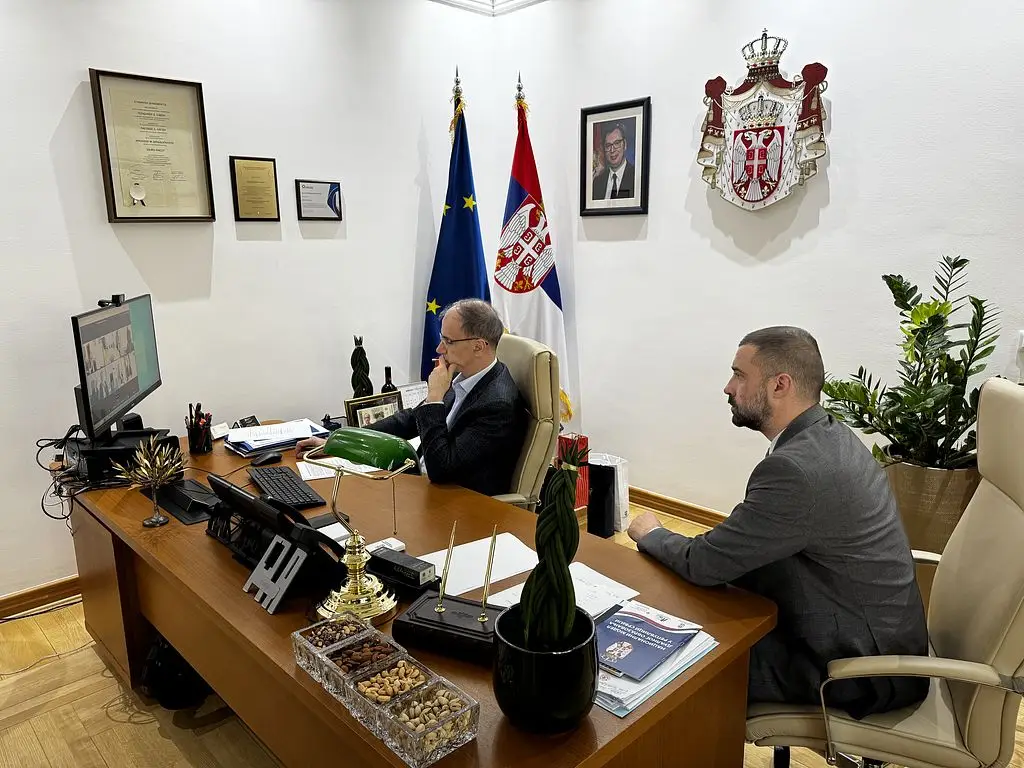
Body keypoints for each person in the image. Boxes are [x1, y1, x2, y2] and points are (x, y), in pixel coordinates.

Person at [628, 326, 928, 719]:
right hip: (872, 633)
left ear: (779, 385)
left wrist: (652, 532)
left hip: (860, 669)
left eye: (739, 375)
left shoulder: (797, 469)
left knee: (678, 667)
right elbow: (739, 545)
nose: (728, 387)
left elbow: (704, 563)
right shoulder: (827, 436)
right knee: (697, 612)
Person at [297, 299, 528, 497]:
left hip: (455, 503)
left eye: (449, 341)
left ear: (478, 346)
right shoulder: (465, 374)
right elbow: (409, 420)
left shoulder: (497, 405)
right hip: (421, 482)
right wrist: (339, 441)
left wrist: (435, 398)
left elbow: (442, 469)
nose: (439, 349)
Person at [592, 122, 635, 200]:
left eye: (617, 143)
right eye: (608, 145)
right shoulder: (597, 182)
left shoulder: (636, 176)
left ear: (625, 144)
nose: (612, 150)